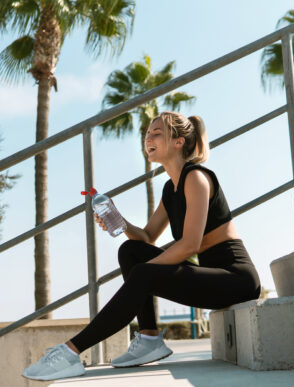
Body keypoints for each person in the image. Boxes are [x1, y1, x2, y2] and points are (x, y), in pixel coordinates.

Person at [22, 111, 261, 381]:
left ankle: (70, 352)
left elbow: (190, 244)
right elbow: (147, 237)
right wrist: (120, 221)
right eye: (148, 133)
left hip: (236, 280)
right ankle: (149, 338)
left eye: (157, 133)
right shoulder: (170, 190)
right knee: (130, 251)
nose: (148, 137)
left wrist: (143, 274)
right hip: (210, 278)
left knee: (143, 272)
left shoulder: (196, 178)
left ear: (179, 141)